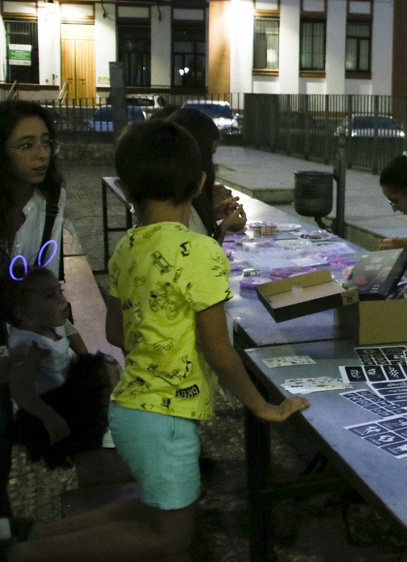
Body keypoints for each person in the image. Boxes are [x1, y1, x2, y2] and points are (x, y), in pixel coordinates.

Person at [5, 120, 310, 561]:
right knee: (170, 537)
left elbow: (115, 332)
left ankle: (35, 538)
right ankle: (29, 556)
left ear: (126, 190)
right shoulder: (203, 251)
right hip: (164, 421)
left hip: (131, 408)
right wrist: (263, 406)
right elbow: (218, 349)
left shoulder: (127, 247)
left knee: (153, 511)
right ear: (201, 182)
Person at [0, 99, 67, 519]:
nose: (40, 154)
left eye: (45, 142)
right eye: (25, 145)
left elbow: (46, 275)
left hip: (19, 325)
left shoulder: (50, 200)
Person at [7, 266, 110, 469]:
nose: (62, 299)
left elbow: (71, 332)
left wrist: (87, 363)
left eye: (59, 290)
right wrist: (48, 416)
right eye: (50, 295)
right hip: (50, 408)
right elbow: (19, 389)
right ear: (25, 313)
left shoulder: (52, 323)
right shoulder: (28, 345)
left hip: (67, 396)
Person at [166, 107, 247, 243]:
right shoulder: (181, 205)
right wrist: (224, 227)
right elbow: (203, 260)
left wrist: (210, 215)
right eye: (210, 154)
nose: (211, 163)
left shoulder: (166, 194)